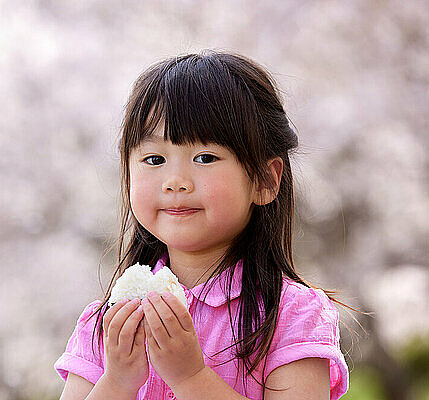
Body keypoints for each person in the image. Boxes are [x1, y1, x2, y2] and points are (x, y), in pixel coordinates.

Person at [55, 50, 354, 400]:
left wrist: (190, 377)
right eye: (154, 159)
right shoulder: (107, 323)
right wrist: (118, 382)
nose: (176, 181)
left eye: (205, 158)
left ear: (265, 181)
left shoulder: (291, 315)